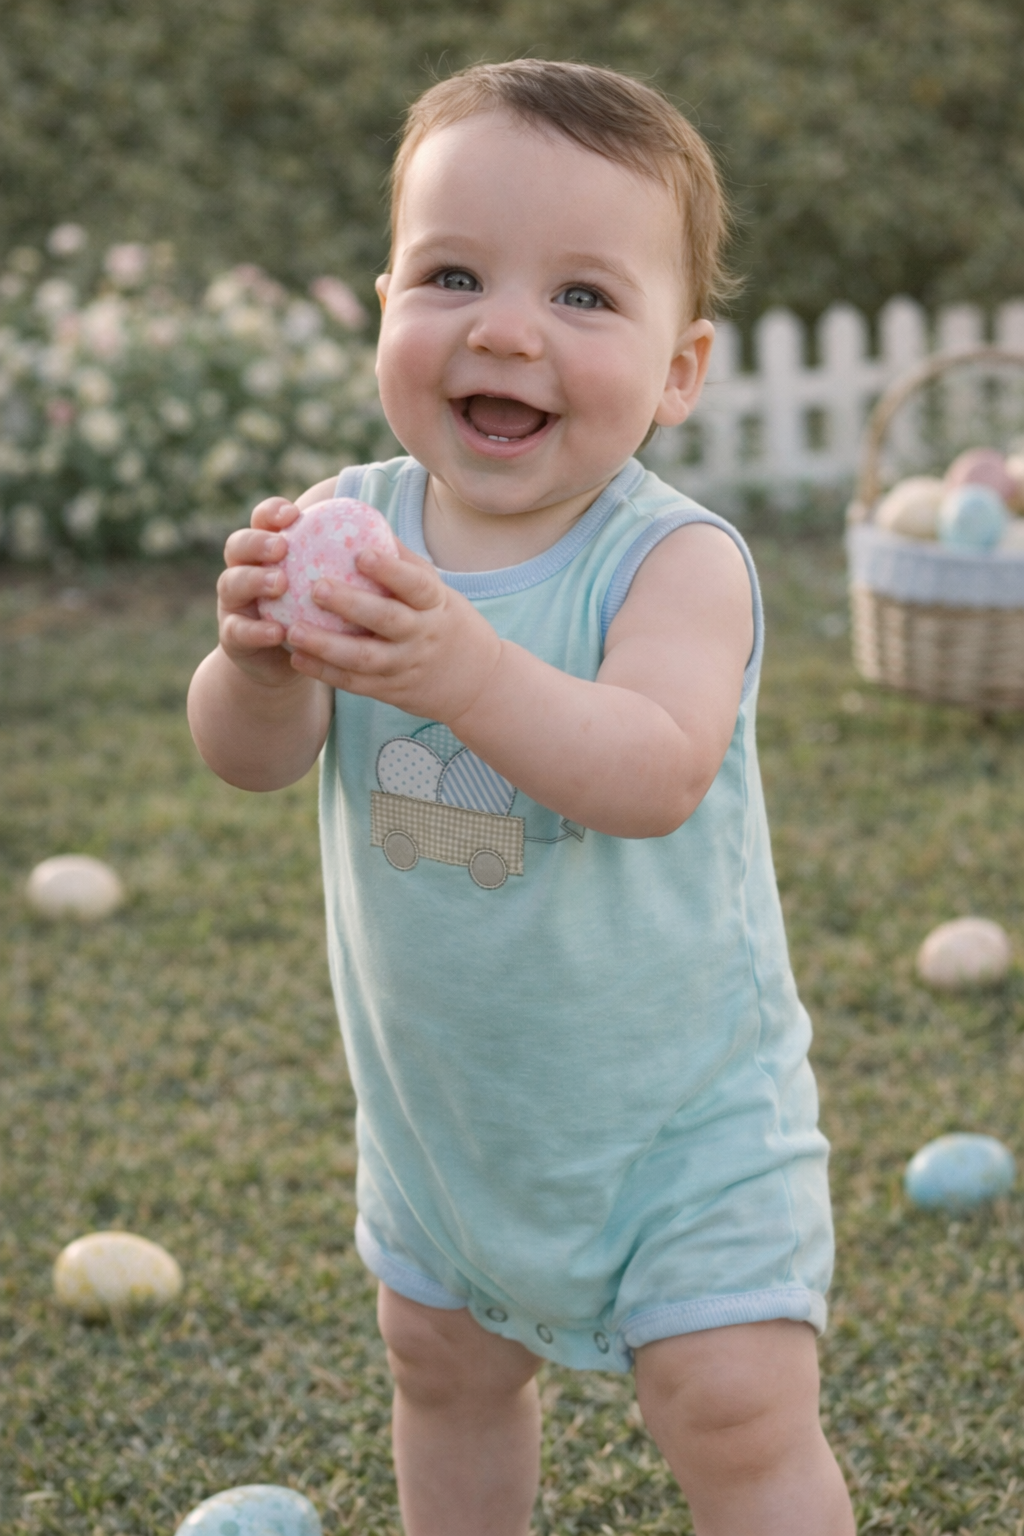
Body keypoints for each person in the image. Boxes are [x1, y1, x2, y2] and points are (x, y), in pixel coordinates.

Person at [188, 59, 855, 1536]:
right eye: (453, 275)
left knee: (734, 1410)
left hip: (683, 1126)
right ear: (384, 308)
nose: (503, 328)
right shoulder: (347, 528)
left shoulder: (671, 561)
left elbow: (654, 772)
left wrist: (454, 668)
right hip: (451, 1122)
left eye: (582, 298)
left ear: (680, 372)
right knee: (442, 1367)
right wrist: (261, 664)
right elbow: (247, 757)